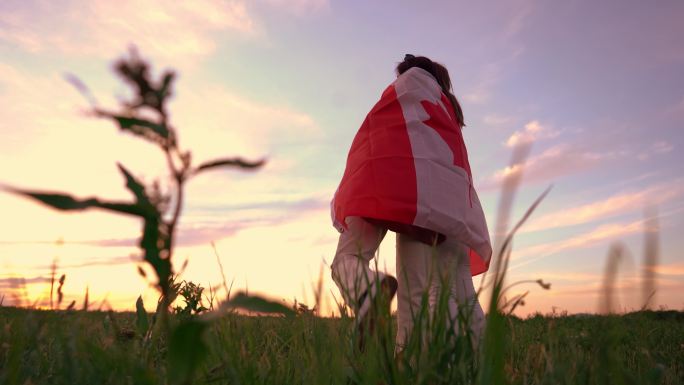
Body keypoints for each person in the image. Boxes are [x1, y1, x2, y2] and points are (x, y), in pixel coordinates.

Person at [330, 54, 492, 351]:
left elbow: (377, 141)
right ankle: (474, 368)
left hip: (387, 188)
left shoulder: (404, 88)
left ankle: (368, 291)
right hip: (451, 208)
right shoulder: (447, 108)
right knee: (459, 294)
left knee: (399, 290)